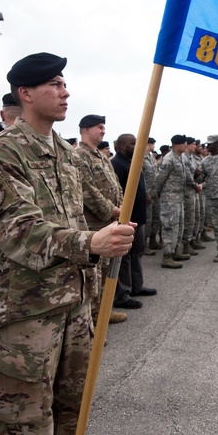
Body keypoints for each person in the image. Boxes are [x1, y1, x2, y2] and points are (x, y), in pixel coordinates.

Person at [0, 53, 134, 435]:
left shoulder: (65, 153)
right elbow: (18, 232)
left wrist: (103, 243)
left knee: (71, 419)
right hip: (29, 313)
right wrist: (91, 242)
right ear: (25, 93)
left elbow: (74, 218)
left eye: (65, 83)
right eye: (55, 85)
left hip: (75, 306)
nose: (66, 92)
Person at [76, 115, 133, 321]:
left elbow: (114, 184)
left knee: (106, 270)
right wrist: (112, 210)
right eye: (99, 127)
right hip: (93, 223)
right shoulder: (80, 155)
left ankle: (103, 312)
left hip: (109, 221)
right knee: (94, 274)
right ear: (86, 129)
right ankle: (92, 321)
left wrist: (122, 205)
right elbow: (86, 189)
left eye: (104, 128)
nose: (103, 131)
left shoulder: (99, 155)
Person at [110, 133, 157, 297]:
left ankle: (137, 286)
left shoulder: (132, 162)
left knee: (137, 253)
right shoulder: (117, 164)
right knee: (125, 257)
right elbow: (117, 192)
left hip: (139, 216)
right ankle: (124, 292)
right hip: (127, 218)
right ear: (122, 146)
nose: (136, 146)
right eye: (133, 144)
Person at [154, 135, 190, 268]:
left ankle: (175, 251)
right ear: (175, 145)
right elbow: (159, 179)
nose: (185, 146)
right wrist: (157, 194)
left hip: (178, 197)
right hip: (169, 199)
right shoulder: (169, 159)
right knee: (169, 227)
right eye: (183, 144)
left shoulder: (179, 157)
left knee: (178, 226)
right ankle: (167, 256)